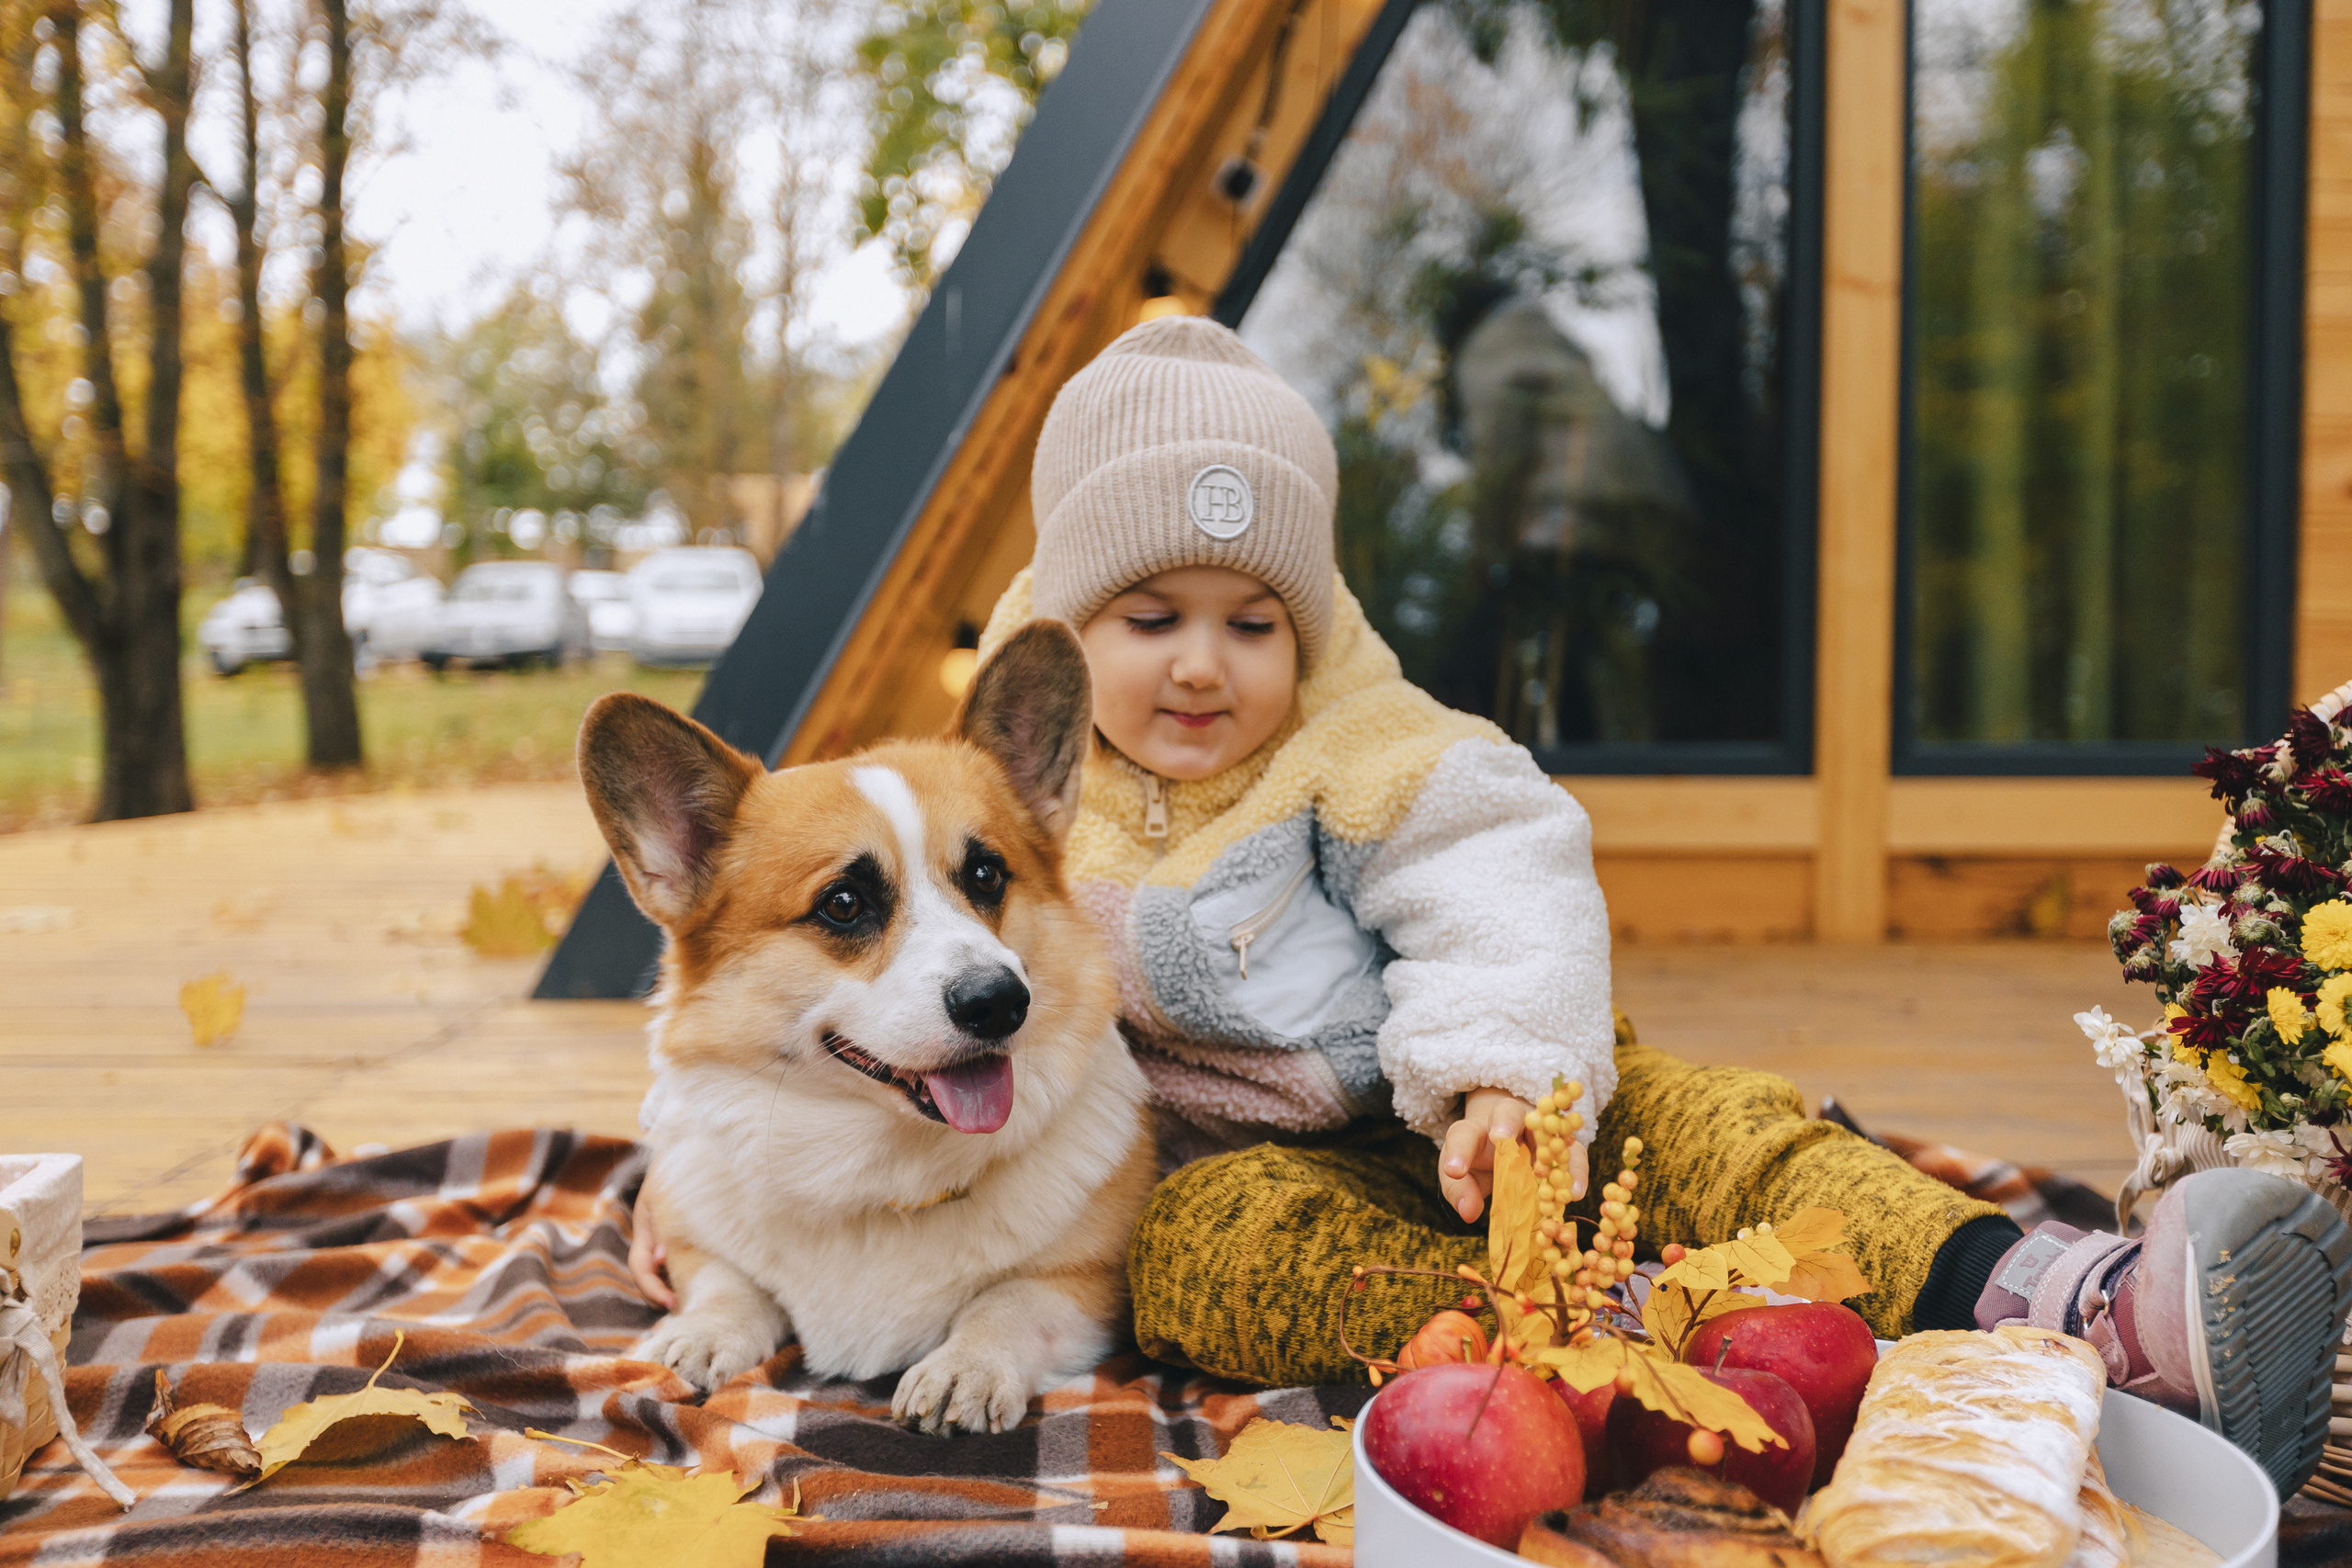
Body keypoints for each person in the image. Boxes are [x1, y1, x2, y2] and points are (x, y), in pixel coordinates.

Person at [637, 315, 2352, 1492]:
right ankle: (1586, 1352)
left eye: (1252, 617)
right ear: (1067, 625)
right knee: (1209, 1252)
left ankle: (2077, 1298)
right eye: (1148, 611)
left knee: (1730, 1135)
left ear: (1310, 625)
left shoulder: (1375, 749)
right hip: (1279, 1164)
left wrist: (1508, 1080)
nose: (1203, 661)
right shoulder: (1021, 803)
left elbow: (1500, 880)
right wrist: (695, 1214)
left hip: (1508, 1092)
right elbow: (750, 1038)